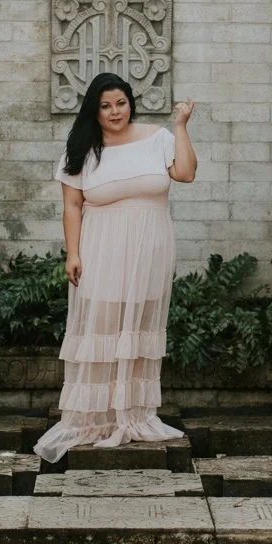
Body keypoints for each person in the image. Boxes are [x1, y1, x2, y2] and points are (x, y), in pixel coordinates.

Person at [33, 72, 197, 463]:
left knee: (139, 326)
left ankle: (135, 415)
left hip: (151, 247)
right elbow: (72, 205)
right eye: (105, 106)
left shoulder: (157, 138)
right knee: (103, 325)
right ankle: (95, 419)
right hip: (101, 248)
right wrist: (73, 254)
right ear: (95, 109)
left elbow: (187, 173)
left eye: (120, 103)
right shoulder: (82, 149)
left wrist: (180, 126)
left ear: (130, 103)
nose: (114, 112)